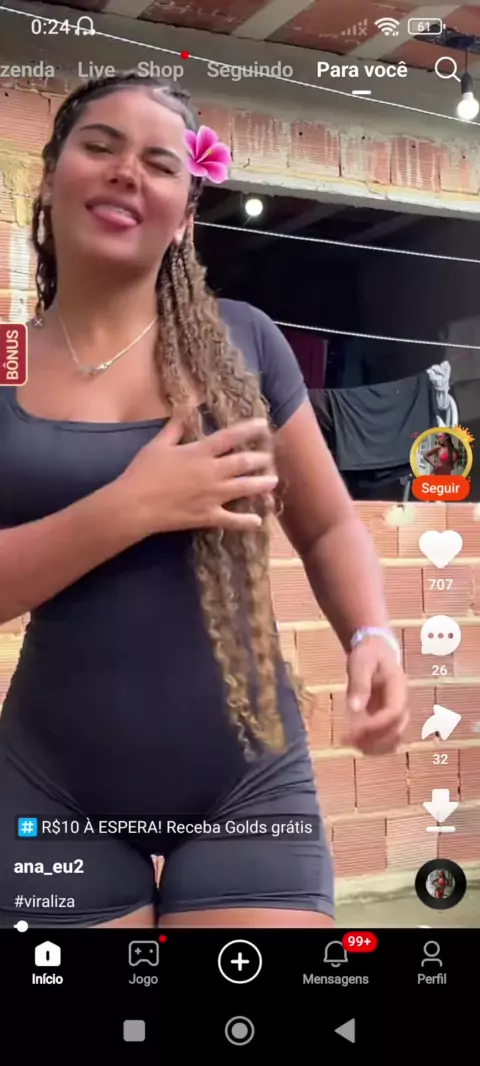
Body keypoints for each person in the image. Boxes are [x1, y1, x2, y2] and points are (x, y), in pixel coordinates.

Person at [0, 74, 408, 929]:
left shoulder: (244, 341)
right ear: (51, 175)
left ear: (185, 214)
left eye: (159, 163)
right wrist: (131, 506)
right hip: (49, 784)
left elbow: (328, 523)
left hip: (247, 779)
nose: (126, 172)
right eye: (100, 146)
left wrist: (370, 635)